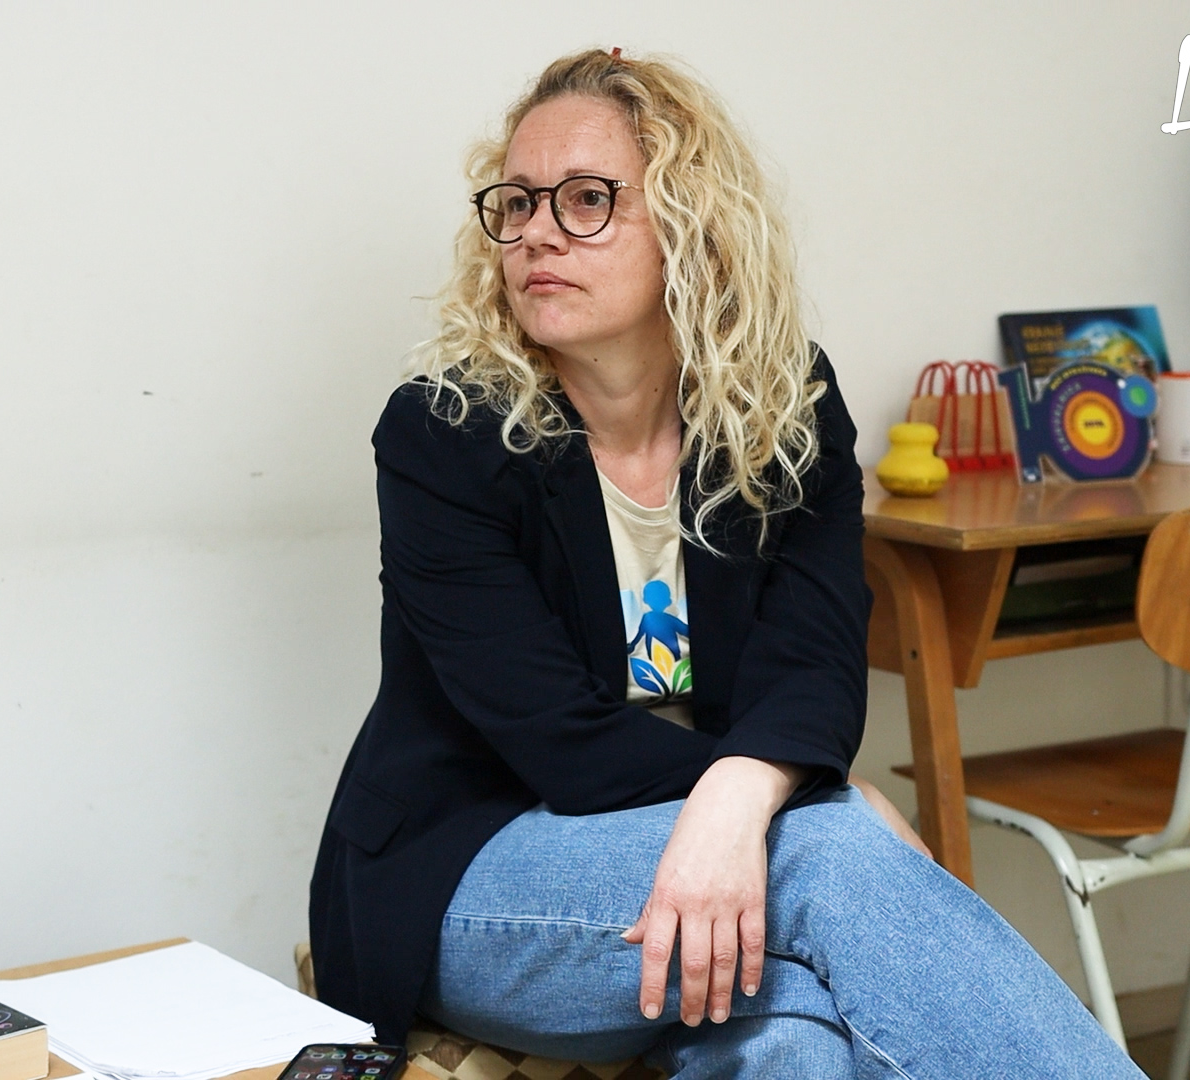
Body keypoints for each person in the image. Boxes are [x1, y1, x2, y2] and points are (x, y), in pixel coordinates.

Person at [309, 48, 1142, 1077]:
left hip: (722, 859)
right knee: (831, 857)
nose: (536, 234)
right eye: (517, 202)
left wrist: (745, 801)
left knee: (794, 1033)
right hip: (474, 870)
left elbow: (818, 666)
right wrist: (798, 797)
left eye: (586, 200)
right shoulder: (443, 434)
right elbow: (555, 738)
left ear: (692, 223)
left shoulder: (787, 409)